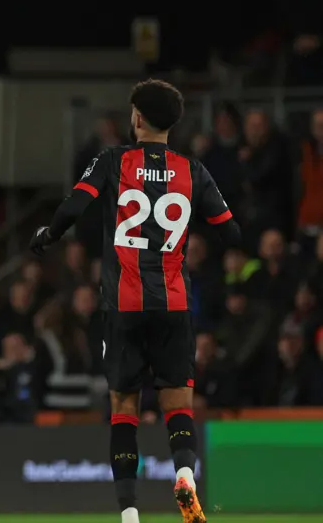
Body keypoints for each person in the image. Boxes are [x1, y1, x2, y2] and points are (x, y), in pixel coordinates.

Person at [29, 80, 241, 523]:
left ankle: (129, 515)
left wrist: (48, 235)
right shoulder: (193, 170)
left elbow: (74, 206)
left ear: (138, 117)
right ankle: (184, 474)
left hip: (124, 305)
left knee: (124, 409)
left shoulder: (113, 160)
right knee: (178, 405)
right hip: (174, 304)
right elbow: (231, 232)